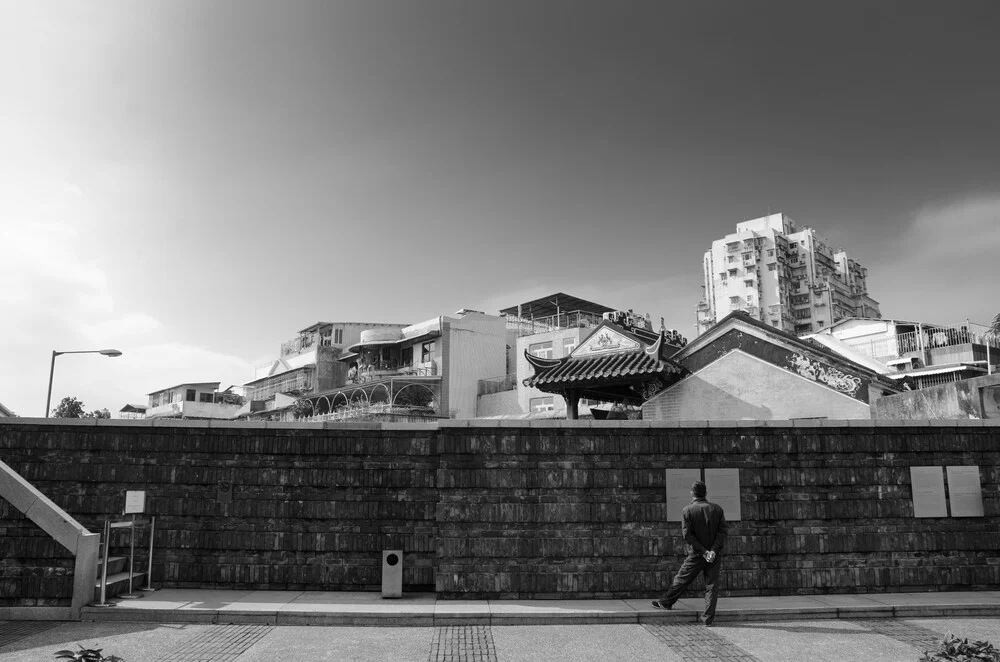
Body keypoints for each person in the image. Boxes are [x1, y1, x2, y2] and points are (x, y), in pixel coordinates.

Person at [652, 480, 728, 626]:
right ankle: (708, 619)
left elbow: (688, 536)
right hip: (714, 555)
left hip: (696, 554)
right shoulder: (717, 509)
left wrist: (703, 551)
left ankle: (667, 602)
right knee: (711, 586)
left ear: (692, 493)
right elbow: (722, 532)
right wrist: (712, 550)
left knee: (682, 578)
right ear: (706, 493)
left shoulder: (687, 510)